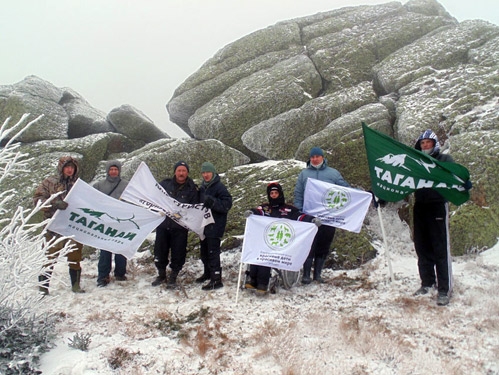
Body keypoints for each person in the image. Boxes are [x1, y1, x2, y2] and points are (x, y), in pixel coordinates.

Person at [243, 182, 321, 295]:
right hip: (266, 241)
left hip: (282, 244)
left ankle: (262, 283)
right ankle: (252, 279)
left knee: (267, 255)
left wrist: (312, 219)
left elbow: (300, 216)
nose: (274, 195)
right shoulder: (265, 208)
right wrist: (251, 212)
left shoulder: (288, 209)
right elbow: (258, 211)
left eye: (276, 193)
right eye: (271, 193)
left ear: (280, 194)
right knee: (258, 252)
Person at [413, 129, 460, 306]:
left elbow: (455, 175)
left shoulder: (444, 159)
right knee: (422, 247)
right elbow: (401, 180)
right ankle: (427, 283)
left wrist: (462, 182)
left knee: (440, 248)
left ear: (435, 143)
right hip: (420, 206)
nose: (425, 145)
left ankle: (444, 289)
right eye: (422, 143)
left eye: (428, 142)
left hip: (438, 205)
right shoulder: (416, 161)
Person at [294, 147, 350, 284]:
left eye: (317, 156)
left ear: (323, 158)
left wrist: (361, 195)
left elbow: (345, 190)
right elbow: (298, 193)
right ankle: (306, 275)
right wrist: (300, 211)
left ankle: (317, 275)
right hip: (309, 216)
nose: (314, 159)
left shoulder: (333, 173)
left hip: (329, 217)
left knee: (324, 245)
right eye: (312, 157)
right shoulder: (304, 174)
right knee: (309, 245)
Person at [34, 156, 85, 294]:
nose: (69, 170)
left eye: (72, 167)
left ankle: (75, 285)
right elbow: (38, 200)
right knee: (50, 257)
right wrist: (53, 204)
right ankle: (43, 287)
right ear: (61, 168)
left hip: (73, 226)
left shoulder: (79, 184)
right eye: (67, 167)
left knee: (75, 256)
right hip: (53, 226)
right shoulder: (49, 182)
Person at [152, 161, 199, 288]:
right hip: (163, 225)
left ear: (187, 173)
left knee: (178, 253)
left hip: (180, 228)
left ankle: (173, 277)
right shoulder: (165, 184)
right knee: (160, 251)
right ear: (175, 172)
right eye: (179, 170)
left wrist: (182, 215)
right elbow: (154, 198)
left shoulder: (192, 188)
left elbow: (194, 208)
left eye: (184, 171)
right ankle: (161, 275)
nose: (181, 173)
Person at [92, 160, 129, 287]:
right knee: (105, 251)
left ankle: (120, 274)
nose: (113, 172)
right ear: (107, 171)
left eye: (116, 169)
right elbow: (91, 200)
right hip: (105, 223)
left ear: (119, 171)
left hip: (121, 222)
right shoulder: (99, 185)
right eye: (111, 169)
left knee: (121, 249)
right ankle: (103, 276)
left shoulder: (126, 185)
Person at [197, 162, 232, 290]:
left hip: (215, 225)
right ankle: (207, 273)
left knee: (213, 252)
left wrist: (212, 202)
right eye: (203, 173)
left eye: (208, 172)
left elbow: (227, 204)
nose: (205, 175)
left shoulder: (219, 187)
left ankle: (216, 279)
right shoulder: (203, 187)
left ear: (213, 173)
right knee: (204, 252)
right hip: (204, 225)